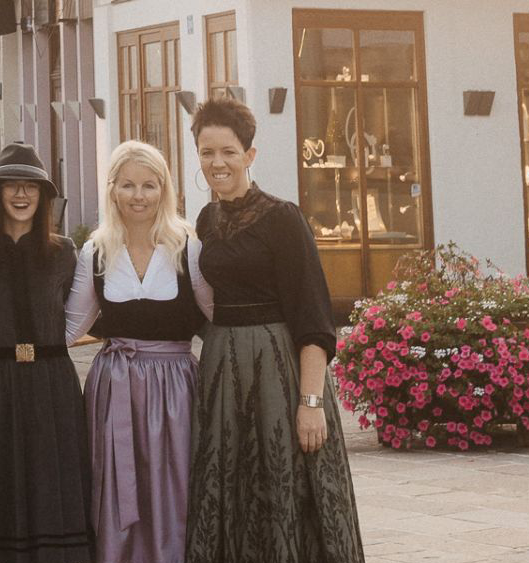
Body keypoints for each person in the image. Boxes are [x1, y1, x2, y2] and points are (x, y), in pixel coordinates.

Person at [185, 98, 363, 562]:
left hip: (279, 371)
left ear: (250, 154)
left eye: (228, 151)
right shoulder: (206, 220)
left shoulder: (283, 217)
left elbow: (314, 318)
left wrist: (311, 404)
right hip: (224, 373)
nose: (217, 163)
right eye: (207, 152)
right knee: (232, 490)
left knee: (287, 485)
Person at [63, 141, 213, 563]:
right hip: (116, 385)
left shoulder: (188, 247)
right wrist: (6, 348)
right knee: (116, 481)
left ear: (164, 189)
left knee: (174, 484)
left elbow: (218, 316)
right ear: (112, 189)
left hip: (176, 387)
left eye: (149, 185)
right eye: (128, 185)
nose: (139, 195)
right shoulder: (96, 251)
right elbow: (70, 329)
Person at [0, 142, 92, 563]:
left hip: (54, 384)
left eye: (30, 186)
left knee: (54, 482)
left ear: (43, 195)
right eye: (11, 185)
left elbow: (86, 311)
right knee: (3, 481)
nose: (20, 194)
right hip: (0, 386)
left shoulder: (63, 253)